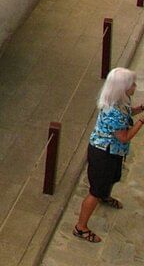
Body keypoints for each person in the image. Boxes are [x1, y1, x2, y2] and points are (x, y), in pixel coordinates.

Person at [74, 67, 144, 243]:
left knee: (112, 177)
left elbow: (127, 113)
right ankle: (80, 227)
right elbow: (124, 137)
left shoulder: (121, 100)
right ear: (123, 87)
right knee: (95, 191)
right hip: (103, 153)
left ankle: (105, 195)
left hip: (113, 151)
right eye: (132, 84)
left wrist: (141, 108)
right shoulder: (113, 111)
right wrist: (142, 121)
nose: (135, 86)